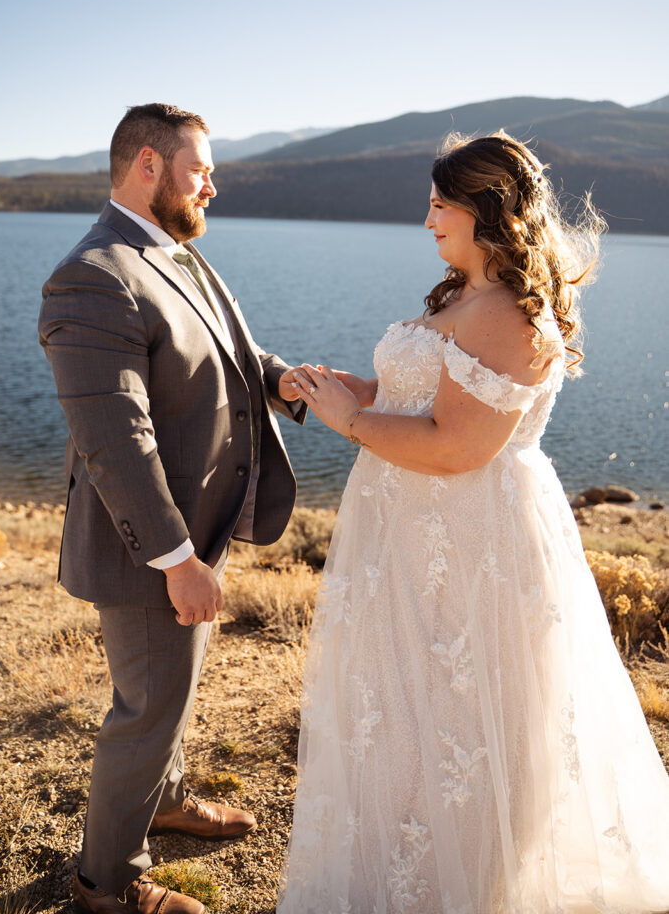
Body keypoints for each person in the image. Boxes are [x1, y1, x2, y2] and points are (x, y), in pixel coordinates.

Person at [277, 133, 669, 913]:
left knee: (463, 720)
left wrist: (346, 423)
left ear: (484, 209)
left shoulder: (507, 316)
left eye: (437, 204)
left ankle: (467, 888)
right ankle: (399, 870)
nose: (426, 220)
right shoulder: (457, 294)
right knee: (399, 715)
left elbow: (455, 447)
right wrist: (332, 388)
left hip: (467, 542)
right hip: (408, 535)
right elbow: (406, 397)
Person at [39, 103, 307, 914]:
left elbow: (228, 343)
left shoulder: (172, 252)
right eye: (201, 170)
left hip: (197, 529)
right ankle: (108, 883)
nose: (212, 186)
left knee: (173, 691)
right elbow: (115, 439)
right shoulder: (91, 274)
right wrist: (176, 561)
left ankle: (166, 797)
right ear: (148, 166)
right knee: (147, 704)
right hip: (149, 549)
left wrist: (280, 380)